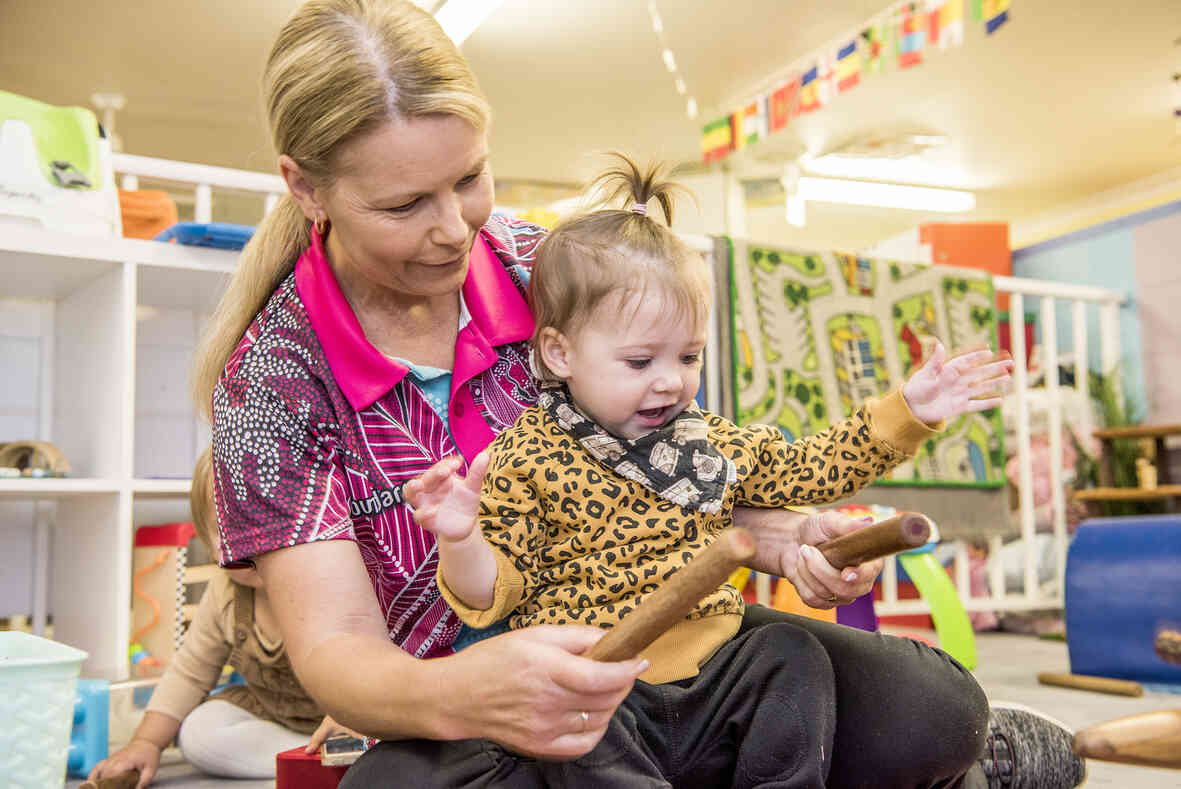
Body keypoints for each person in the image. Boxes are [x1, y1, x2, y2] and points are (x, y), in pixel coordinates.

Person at [193, 1, 1086, 787]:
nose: (451, 228)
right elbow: (337, 653)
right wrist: (464, 690)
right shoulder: (270, 384)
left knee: (928, 708)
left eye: (468, 178)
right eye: (402, 205)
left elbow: (685, 461)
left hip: (682, 659)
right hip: (478, 709)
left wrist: (787, 541)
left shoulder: (558, 268)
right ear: (304, 186)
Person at [87, 449, 358, 788]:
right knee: (200, 732)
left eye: (271, 524)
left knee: (386, 731)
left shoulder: (334, 582)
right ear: (207, 541)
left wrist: (359, 717)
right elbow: (189, 673)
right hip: (274, 721)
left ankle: (346, 754)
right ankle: (316, 762)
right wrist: (146, 743)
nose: (254, 544)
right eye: (232, 530)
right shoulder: (226, 593)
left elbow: (372, 663)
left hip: (348, 719)